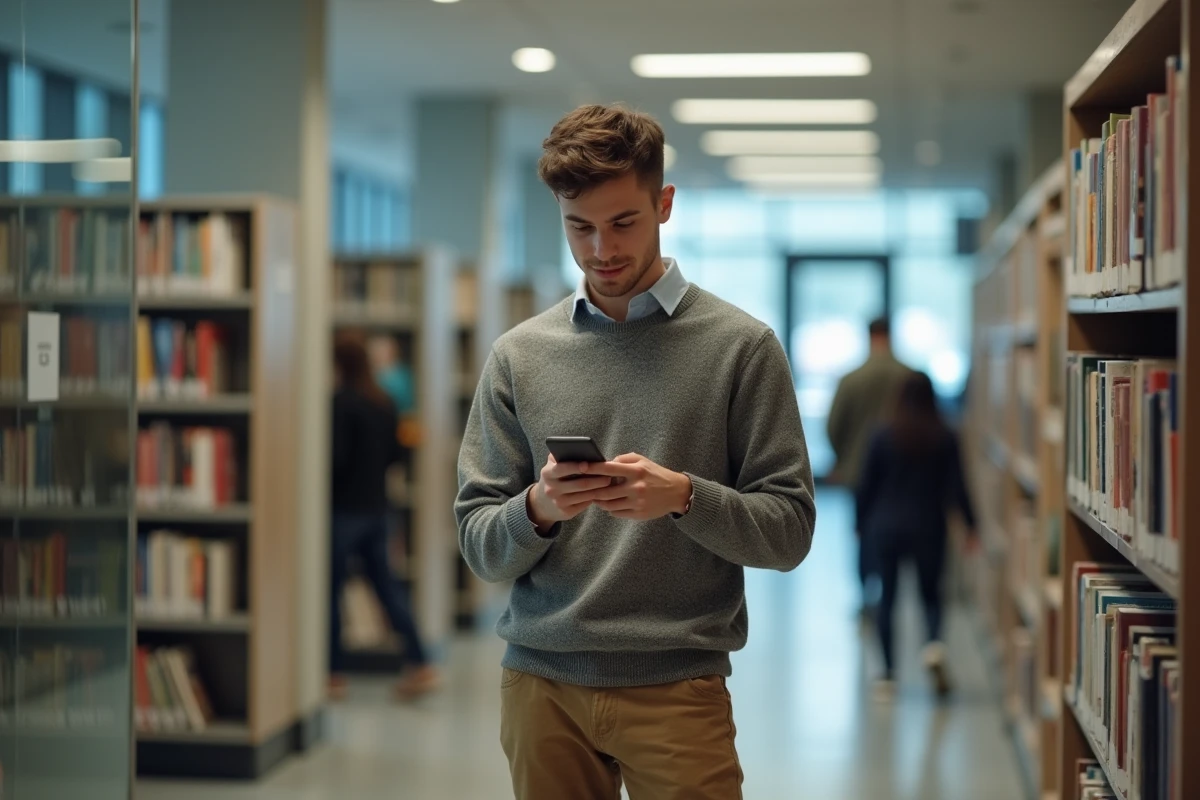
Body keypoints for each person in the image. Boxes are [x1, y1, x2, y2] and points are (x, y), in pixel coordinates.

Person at [455, 103, 816, 800]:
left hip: (678, 685)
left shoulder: (742, 348)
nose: (601, 250)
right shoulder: (518, 356)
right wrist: (537, 507)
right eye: (578, 227)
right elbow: (479, 544)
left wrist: (684, 497)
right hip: (542, 688)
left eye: (623, 222)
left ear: (665, 204)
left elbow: (790, 534)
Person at [854, 370, 978, 699]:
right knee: (932, 595)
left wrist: (859, 523)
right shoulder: (945, 435)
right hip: (929, 527)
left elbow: (866, 485)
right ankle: (934, 646)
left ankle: (887, 676)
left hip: (886, 526)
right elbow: (957, 486)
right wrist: (971, 526)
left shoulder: (882, 434)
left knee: (887, 598)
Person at [330, 333, 440, 701]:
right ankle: (420, 662)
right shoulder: (385, 401)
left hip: (344, 510)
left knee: (330, 591)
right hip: (379, 508)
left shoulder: (340, 403)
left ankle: (332, 673)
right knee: (388, 588)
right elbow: (396, 455)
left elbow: (337, 459)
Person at [827, 317, 912, 617]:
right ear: (890, 335)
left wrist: (844, 457)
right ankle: (895, 596)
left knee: (863, 531)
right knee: (900, 531)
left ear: (869, 336)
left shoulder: (851, 379)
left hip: (859, 471)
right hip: (903, 472)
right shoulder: (908, 376)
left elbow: (834, 425)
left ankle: (867, 596)